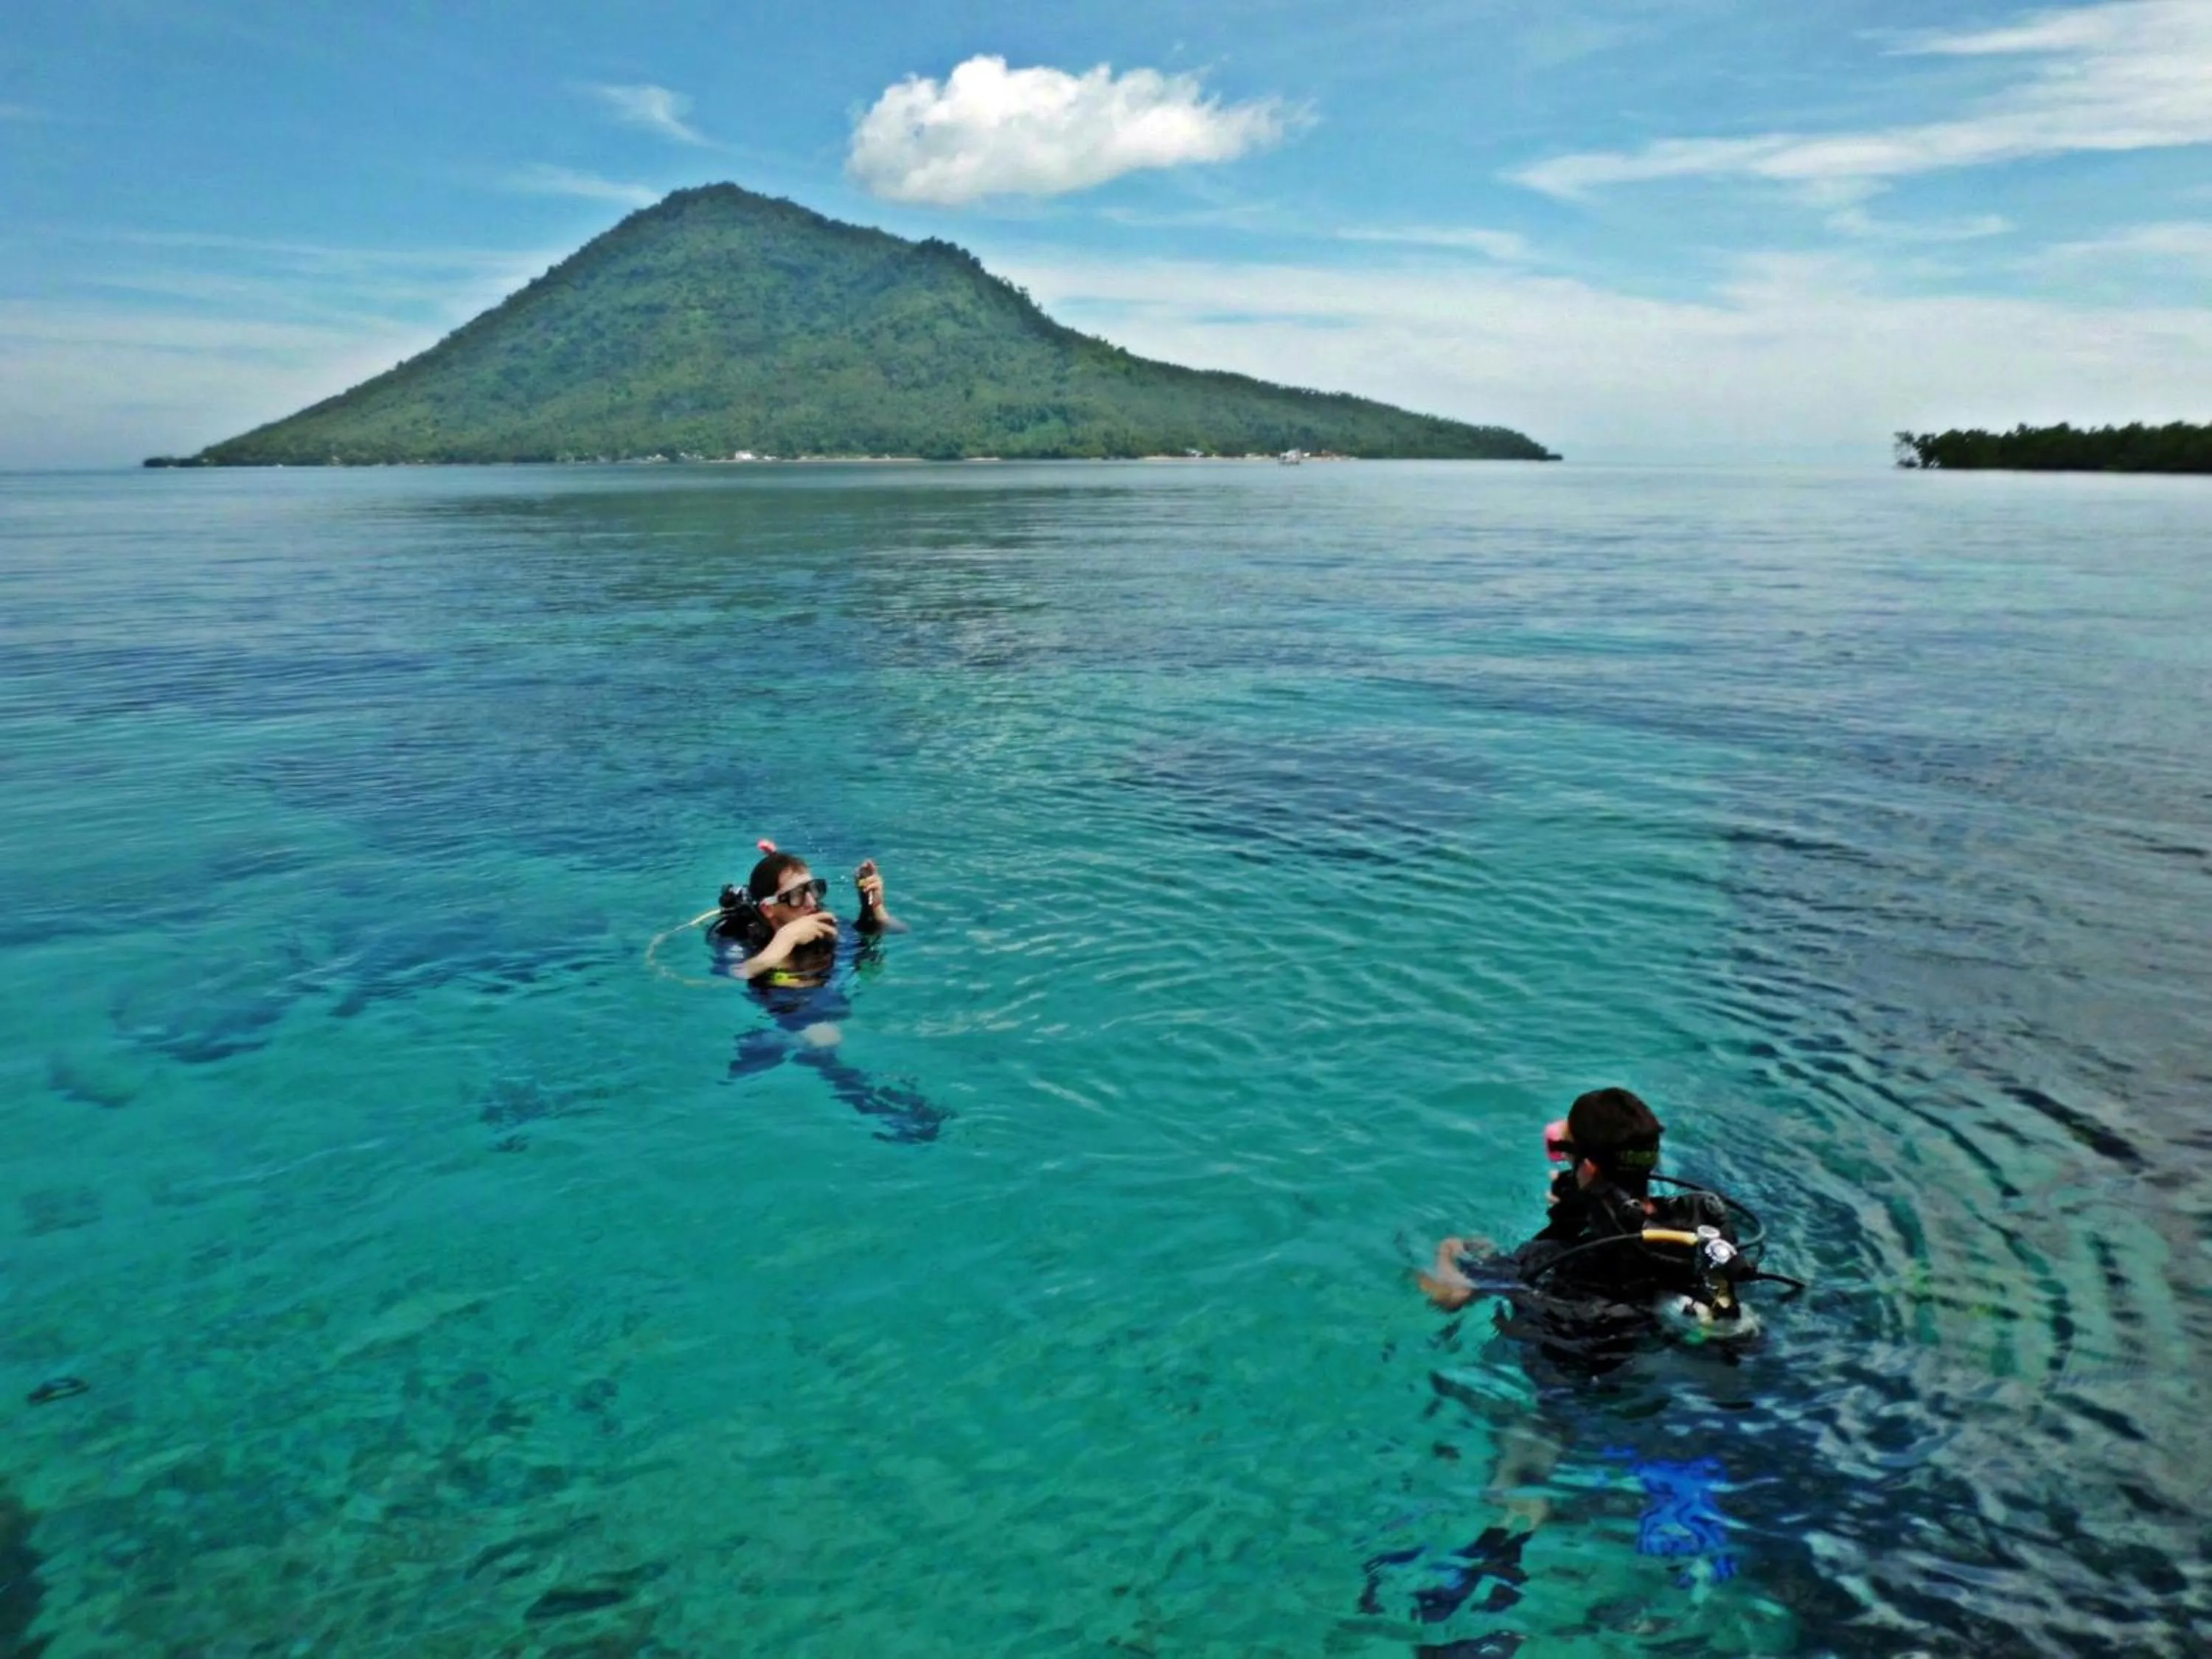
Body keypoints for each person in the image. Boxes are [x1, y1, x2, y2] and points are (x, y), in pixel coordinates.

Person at [712, 842, 941, 1143]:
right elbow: (726, 979)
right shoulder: (739, 940)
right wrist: (785, 940)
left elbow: (901, 934)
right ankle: (884, 1112)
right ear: (769, 910)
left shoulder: (827, 924)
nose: (810, 901)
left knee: (826, 1037)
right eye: (796, 896)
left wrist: (876, 912)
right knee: (823, 1040)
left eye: (814, 889)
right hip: (785, 1002)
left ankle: (786, 1046)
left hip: (827, 996)